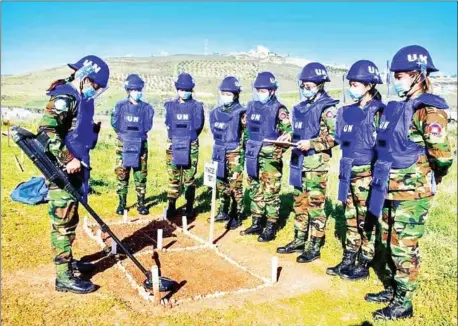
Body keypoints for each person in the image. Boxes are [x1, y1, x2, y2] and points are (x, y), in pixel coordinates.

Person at [367, 45, 453, 320]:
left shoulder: (429, 109)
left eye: (401, 75)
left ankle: (403, 303)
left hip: (413, 193)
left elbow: (442, 153)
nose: (396, 79)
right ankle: (393, 289)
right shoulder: (399, 107)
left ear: (420, 75)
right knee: (387, 239)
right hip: (390, 187)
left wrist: (433, 175)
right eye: (395, 75)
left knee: (404, 247)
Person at [38, 55, 110, 294]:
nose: (95, 91)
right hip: (62, 171)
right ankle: (63, 277)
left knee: (70, 220)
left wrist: (92, 131)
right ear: (85, 77)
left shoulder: (79, 98)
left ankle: (68, 263)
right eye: (96, 86)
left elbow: (74, 131)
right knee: (62, 224)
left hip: (76, 171)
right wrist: (68, 158)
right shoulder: (65, 96)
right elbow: (47, 131)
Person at [326, 60, 385, 280]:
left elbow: (385, 148)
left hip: (367, 175)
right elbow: (337, 138)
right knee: (349, 218)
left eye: (357, 83)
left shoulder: (379, 112)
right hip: (346, 173)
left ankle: (364, 262)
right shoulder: (345, 112)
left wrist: (377, 178)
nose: (352, 87)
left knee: (366, 219)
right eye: (350, 83)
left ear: (369, 85)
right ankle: (349, 257)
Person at [276, 62, 339, 263]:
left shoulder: (328, 108)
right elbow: (298, 132)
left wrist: (311, 143)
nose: (305, 89)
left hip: (315, 165)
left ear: (320, 85)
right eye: (303, 85)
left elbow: (335, 137)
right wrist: (288, 136)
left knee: (315, 206)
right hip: (297, 161)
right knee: (299, 203)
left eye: (309, 85)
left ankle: (314, 245)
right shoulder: (300, 107)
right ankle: (299, 239)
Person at [240, 71, 292, 242]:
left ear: (272, 91)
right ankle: (256, 222)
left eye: (264, 90)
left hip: (270, 157)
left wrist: (278, 150)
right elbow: (246, 130)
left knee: (270, 191)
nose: (260, 93)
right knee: (255, 187)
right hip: (253, 153)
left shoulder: (279, 109)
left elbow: (288, 132)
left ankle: (271, 225)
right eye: (258, 90)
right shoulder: (251, 106)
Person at [111, 74, 154, 216]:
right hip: (123, 144)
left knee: (140, 175)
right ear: (128, 90)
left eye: (139, 89)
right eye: (134, 90)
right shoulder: (120, 106)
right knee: (122, 174)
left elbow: (148, 126)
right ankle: (121, 203)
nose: (137, 92)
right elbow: (115, 124)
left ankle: (141, 204)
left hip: (140, 145)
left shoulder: (147, 108)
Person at [165, 73, 205, 218]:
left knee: (189, 177)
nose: (184, 92)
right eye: (181, 89)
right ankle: (171, 206)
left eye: (187, 89)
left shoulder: (197, 107)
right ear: (177, 89)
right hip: (173, 144)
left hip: (191, 144)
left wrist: (189, 138)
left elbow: (199, 126)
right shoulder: (170, 106)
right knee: (173, 176)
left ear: (191, 90)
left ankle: (189, 207)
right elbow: (168, 123)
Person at [209, 76, 247, 230]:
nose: (225, 96)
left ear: (236, 95)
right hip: (218, 150)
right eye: (223, 93)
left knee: (235, 185)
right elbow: (213, 130)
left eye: (229, 94)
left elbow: (246, 134)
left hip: (234, 152)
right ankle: (223, 210)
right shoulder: (215, 112)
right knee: (220, 182)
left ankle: (236, 213)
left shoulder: (241, 113)